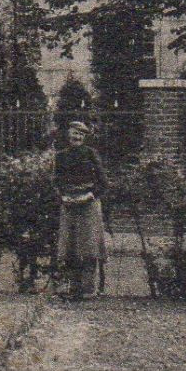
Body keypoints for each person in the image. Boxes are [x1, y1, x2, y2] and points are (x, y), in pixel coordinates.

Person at [54, 120, 108, 298]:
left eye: (80, 134)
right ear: (68, 135)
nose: (76, 137)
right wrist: (63, 196)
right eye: (74, 134)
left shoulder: (91, 154)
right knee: (70, 246)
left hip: (88, 205)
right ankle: (73, 288)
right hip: (69, 204)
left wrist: (90, 195)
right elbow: (57, 181)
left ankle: (88, 289)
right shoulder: (61, 156)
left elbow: (103, 183)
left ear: (85, 137)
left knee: (89, 245)